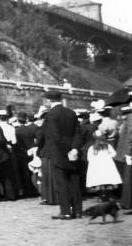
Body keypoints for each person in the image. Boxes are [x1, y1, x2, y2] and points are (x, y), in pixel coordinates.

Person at [38, 91, 83, 220]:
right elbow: (77, 133)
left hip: (59, 154)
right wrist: (74, 149)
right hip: (73, 154)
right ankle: (78, 211)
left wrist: (67, 150)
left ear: (48, 101)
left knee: (62, 184)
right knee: (74, 183)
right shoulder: (71, 112)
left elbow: (55, 136)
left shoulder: (51, 115)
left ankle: (65, 211)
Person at [85, 131, 122, 200]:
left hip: (97, 168)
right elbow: (114, 154)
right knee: (107, 181)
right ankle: (107, 195)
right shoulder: (108, 146)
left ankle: (101, 196)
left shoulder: (92, 148)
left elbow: (89, 158)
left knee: (99, 181)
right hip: (107, 166)